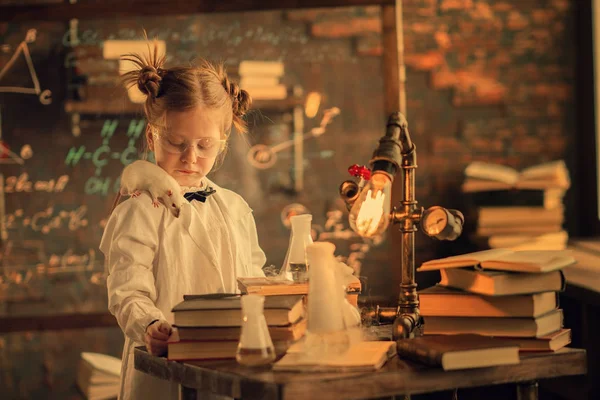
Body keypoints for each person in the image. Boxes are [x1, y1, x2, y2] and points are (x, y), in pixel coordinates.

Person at [100, 42, 267, 400]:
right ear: (152, 135)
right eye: (176, 142)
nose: (191, 158)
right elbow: (128, 289)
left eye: (205, 145)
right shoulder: (138, 210)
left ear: (222, 144)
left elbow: (255, 281)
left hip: (231, 365)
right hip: (164, 371)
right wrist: (149, 324)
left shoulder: (235, 208)